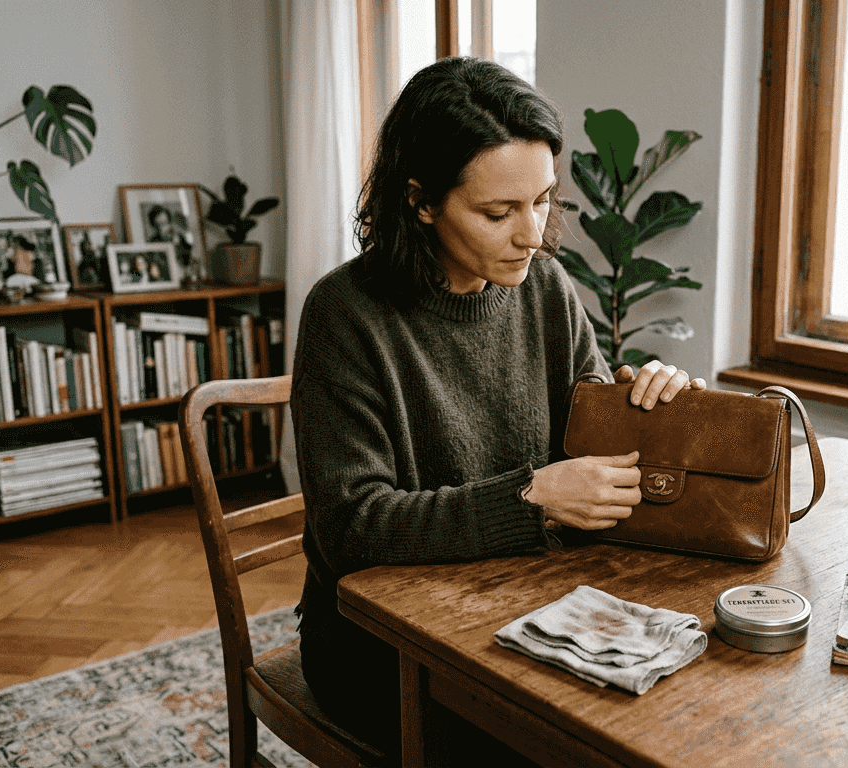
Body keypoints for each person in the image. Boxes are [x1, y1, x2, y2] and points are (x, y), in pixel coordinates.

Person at [290, 56, 705, 758]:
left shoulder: (545, 287)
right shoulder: (345, 314)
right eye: (497, 212)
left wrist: (651, 402)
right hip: (377, 648)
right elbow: (352, 526)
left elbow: (593, 451)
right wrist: (532, 498)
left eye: (543, 200)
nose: (533, 234)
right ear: (420, 201)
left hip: (529, 606)